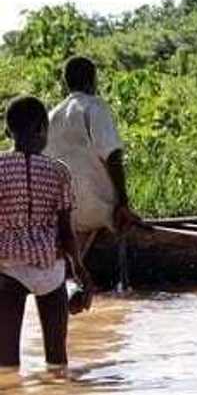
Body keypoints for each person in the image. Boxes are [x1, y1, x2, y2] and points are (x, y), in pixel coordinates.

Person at [0, 96, 94, 368]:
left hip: (8, 270)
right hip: (51, 269)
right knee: (57, 361)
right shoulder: (58, 171)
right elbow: (66, 230)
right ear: (43, 129)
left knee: (6, 365)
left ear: (8, 131)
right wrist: (79, 269)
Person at [45, 56, 140, 254]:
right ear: (92, 80)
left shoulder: (51, 115)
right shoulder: (95, 106)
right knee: (122, 216)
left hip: (62, 214)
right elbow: (112, 155)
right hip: (97, 210)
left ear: (66, 83)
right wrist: (123, 203)